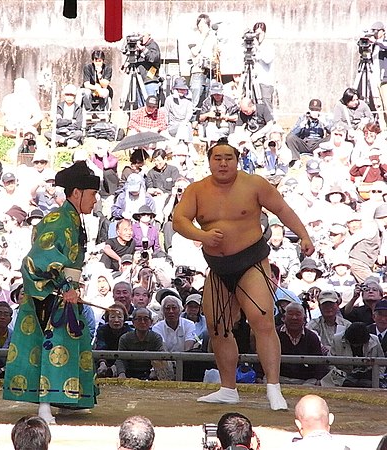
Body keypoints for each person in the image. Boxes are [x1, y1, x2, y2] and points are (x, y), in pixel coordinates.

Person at [173, 139, 314, 410]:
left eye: (228, 158)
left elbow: (282, 209)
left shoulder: (255, 184)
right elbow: (179, 220)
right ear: (209, 161)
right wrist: (202, 235)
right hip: (218, 267)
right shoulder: (196, 190)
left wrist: (304, 235)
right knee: (217, 327)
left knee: (263, 323)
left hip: (251, 262)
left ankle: (273, 388)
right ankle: (228, 388)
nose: (223, 163)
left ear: (237, 160)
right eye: (218, 158)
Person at [3, 161, 99, 424]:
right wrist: (65, 287)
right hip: (52, 293)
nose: (95, 201)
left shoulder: (73, 220)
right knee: (50, 347)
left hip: (66, 292)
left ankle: (65, 400)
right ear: (76, 193)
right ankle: (44, 406)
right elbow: (37, 259)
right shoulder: (58, 220)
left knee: (70, 345)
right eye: (92, 195)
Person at [116, 308, 164, 380]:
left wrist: (154, 371)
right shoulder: (125, 338)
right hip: (130, 371)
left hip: (150, 372)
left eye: (146, 319)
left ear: (151, 322)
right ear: (133, 322)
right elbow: (120, 359)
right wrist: (121, 373)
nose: (142, 322)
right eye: (139, 319)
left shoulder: (156, 338)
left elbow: (160, 358)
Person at [188, 14, 218, 109]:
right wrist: (203, 36)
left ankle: (204, 118)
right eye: (200, 24)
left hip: (209, 71)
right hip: (198, 71)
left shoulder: (213, 38)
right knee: (195, 97)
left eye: (205, 24)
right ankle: (193, 119)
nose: (203, 27)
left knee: (208, 97)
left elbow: (216, 54)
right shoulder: (194, 37)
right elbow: (195, 51)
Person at [252, 22, 275, 112]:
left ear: (264, 32)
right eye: (256, 34)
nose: (258, 36)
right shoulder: (252, 45)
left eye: (259, 33)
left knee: (266, 104)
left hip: (266, 81)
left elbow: (267, 59)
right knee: (254, 104)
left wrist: (258, 47)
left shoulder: (268, 44)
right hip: (255, 81)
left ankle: (270, 123)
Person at [135, 33, 161, 100]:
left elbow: (154, 58)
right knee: (141, 107)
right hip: (140, 80)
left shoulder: (153, 45)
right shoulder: (139, 46)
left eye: (143, 36)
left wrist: (144, 50)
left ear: (149, 36)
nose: (140, 38)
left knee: (150, 104)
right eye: (139, 35)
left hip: (150, 80)